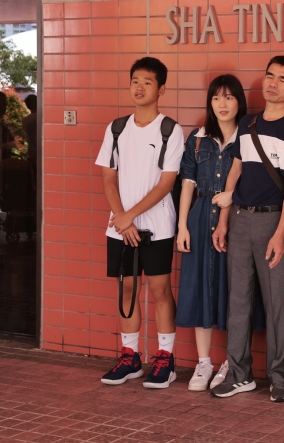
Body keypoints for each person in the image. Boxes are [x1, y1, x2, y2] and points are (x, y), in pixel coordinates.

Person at [211, 56, 284, 401]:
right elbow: (235, 171)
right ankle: (239, 375)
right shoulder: (247, 123)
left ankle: (279, 378)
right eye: (270, 76)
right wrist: (223, 220)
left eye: (283, 79)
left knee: (277, 303)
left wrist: (281, 234)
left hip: (272, 221)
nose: (273, 83)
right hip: (239, 219)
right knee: (237, 300)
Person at [95, 57, 183, 388]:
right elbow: (108, 178)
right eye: (135, 81)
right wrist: (122, 219)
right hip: (120, 227)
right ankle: (130, 357)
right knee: (127, 288)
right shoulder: (116, 128)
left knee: (160, 290)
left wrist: (129, 216)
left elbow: (166, 183)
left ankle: (165, 359)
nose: (139, 87)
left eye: (147, 82)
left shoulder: (170, 130)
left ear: (161, 89)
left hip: (157, 226)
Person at [175, 75, 247, 391]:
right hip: (201, 217)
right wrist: (182, 226)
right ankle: (203, 363)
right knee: (200, 286)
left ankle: (232, 361)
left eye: (229, 97)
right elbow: (187, 183)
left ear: (239, 101)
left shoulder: (249, 136)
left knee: (234, 290)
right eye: (216, 98)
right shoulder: (198, 138)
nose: (222, 104)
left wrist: (232, 199)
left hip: (236, 218)